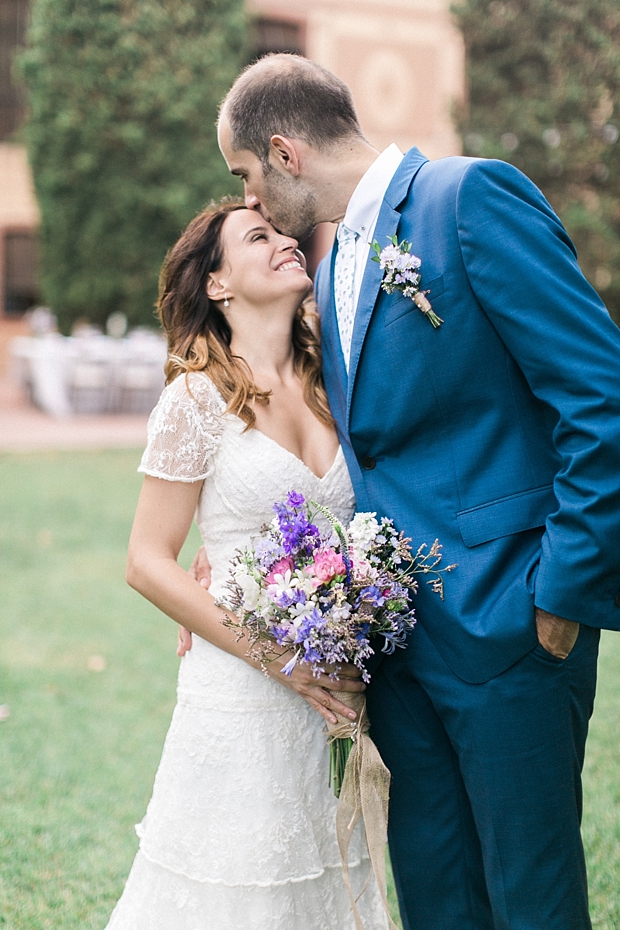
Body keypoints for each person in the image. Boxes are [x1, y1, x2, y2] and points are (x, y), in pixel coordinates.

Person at [190, 53, 620, 930]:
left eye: (246, 177)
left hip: (511, 625)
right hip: (395, 648)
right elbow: (369, 446)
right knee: (436, 898)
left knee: (530, 900)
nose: (251, 204)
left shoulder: (468, 199)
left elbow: (599, 396)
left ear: (284, 151)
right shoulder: (336, 261)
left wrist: (560, 590)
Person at [104, 201, 388, 930]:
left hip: (339, 690)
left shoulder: (337, 381)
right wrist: (279, 658)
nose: (286, 242)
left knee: (331, 884)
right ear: (219, 283)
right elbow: (145, 560)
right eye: (258, 237)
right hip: (243, 689)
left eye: (283, 233)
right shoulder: (194, 399)